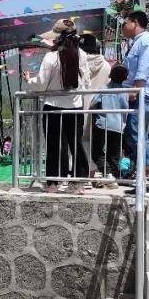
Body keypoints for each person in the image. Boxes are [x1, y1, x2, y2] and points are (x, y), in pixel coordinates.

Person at [23, 25, 91, 192]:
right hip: (75, 106)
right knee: (76, 144)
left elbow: (41, 83)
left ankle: (53, 183)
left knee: (53, 145)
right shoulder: (81, 54)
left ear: (57, 38)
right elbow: (87, 83)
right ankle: (78, 184)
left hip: (53, 107)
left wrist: (28, 80)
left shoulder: (51, 57)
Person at [120, 10, 149, 187]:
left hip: (141, 95)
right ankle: (144, 174)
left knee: (135, 132)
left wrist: (135, 91)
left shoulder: (146, 41)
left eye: (125, 23)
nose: (123, 28)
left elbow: (143, 70)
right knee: (138, 134)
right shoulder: (137, 43)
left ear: (135, 23)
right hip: (138, 95)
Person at [79, 32, 112, 175]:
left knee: (81, 139)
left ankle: (88, 170)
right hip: (101, 107)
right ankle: (102, 170)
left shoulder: (80, 64)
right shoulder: (106, 65)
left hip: (81, 105)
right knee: (100, 142)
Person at [90, 63, 128, 185]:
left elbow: (93, 103)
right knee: (114, 155)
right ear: (125, 78)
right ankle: (115, 177)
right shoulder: (125, 92)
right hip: (118, 127)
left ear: (110, 75)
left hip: (103, 124)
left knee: (96, 152)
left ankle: (107, 172)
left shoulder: (103, 89)